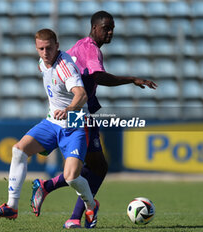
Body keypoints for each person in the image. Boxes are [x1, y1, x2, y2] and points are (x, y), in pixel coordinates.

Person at [30, 11, 157, 229]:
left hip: (72, 113)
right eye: (106, 28)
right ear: (94, 28)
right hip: (79, 115)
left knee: (95, 166)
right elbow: (98, 76)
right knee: (93, 168)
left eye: (112, 28)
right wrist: (132, 79)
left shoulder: (79, 46)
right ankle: (66, 208)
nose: (110, 32)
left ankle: (58, 199)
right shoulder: (91, 49)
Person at [0, 28, 99, 227]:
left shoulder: (65, 66)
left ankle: (91, 205)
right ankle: (12, 207)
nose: (45, 52)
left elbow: (81, 94)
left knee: (71, 177)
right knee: (18, 150)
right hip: (51, 122)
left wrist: (69, 108)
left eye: (49, 48)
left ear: (57, 46)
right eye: (41, 48)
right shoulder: (42, 63)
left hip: (74, 124)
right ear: (36, 48)